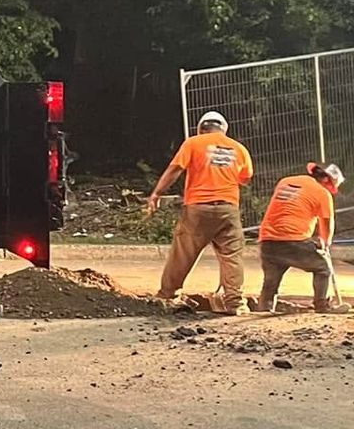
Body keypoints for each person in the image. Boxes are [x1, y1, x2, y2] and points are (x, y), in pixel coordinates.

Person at [146, 111, 254, 313]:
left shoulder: (193, 143)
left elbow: (175, 169)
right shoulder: (239, 149)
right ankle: (235, 303)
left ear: (201, 128)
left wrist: (156, 194)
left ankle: (168, 296)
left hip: (198, 208)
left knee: (183, 253)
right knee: (232, 256)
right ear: (224, 129)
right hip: (228, 208)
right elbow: (245, 178)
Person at [256, 162, 343, 312]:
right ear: (326, 180)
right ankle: (322, 305)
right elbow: (327, 222)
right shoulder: (322, 193)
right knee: (322, 268)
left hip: (268, 239)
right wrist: (325, 242)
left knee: (271, 280)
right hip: (293, 240)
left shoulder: (286, 182)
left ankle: (265, 308)